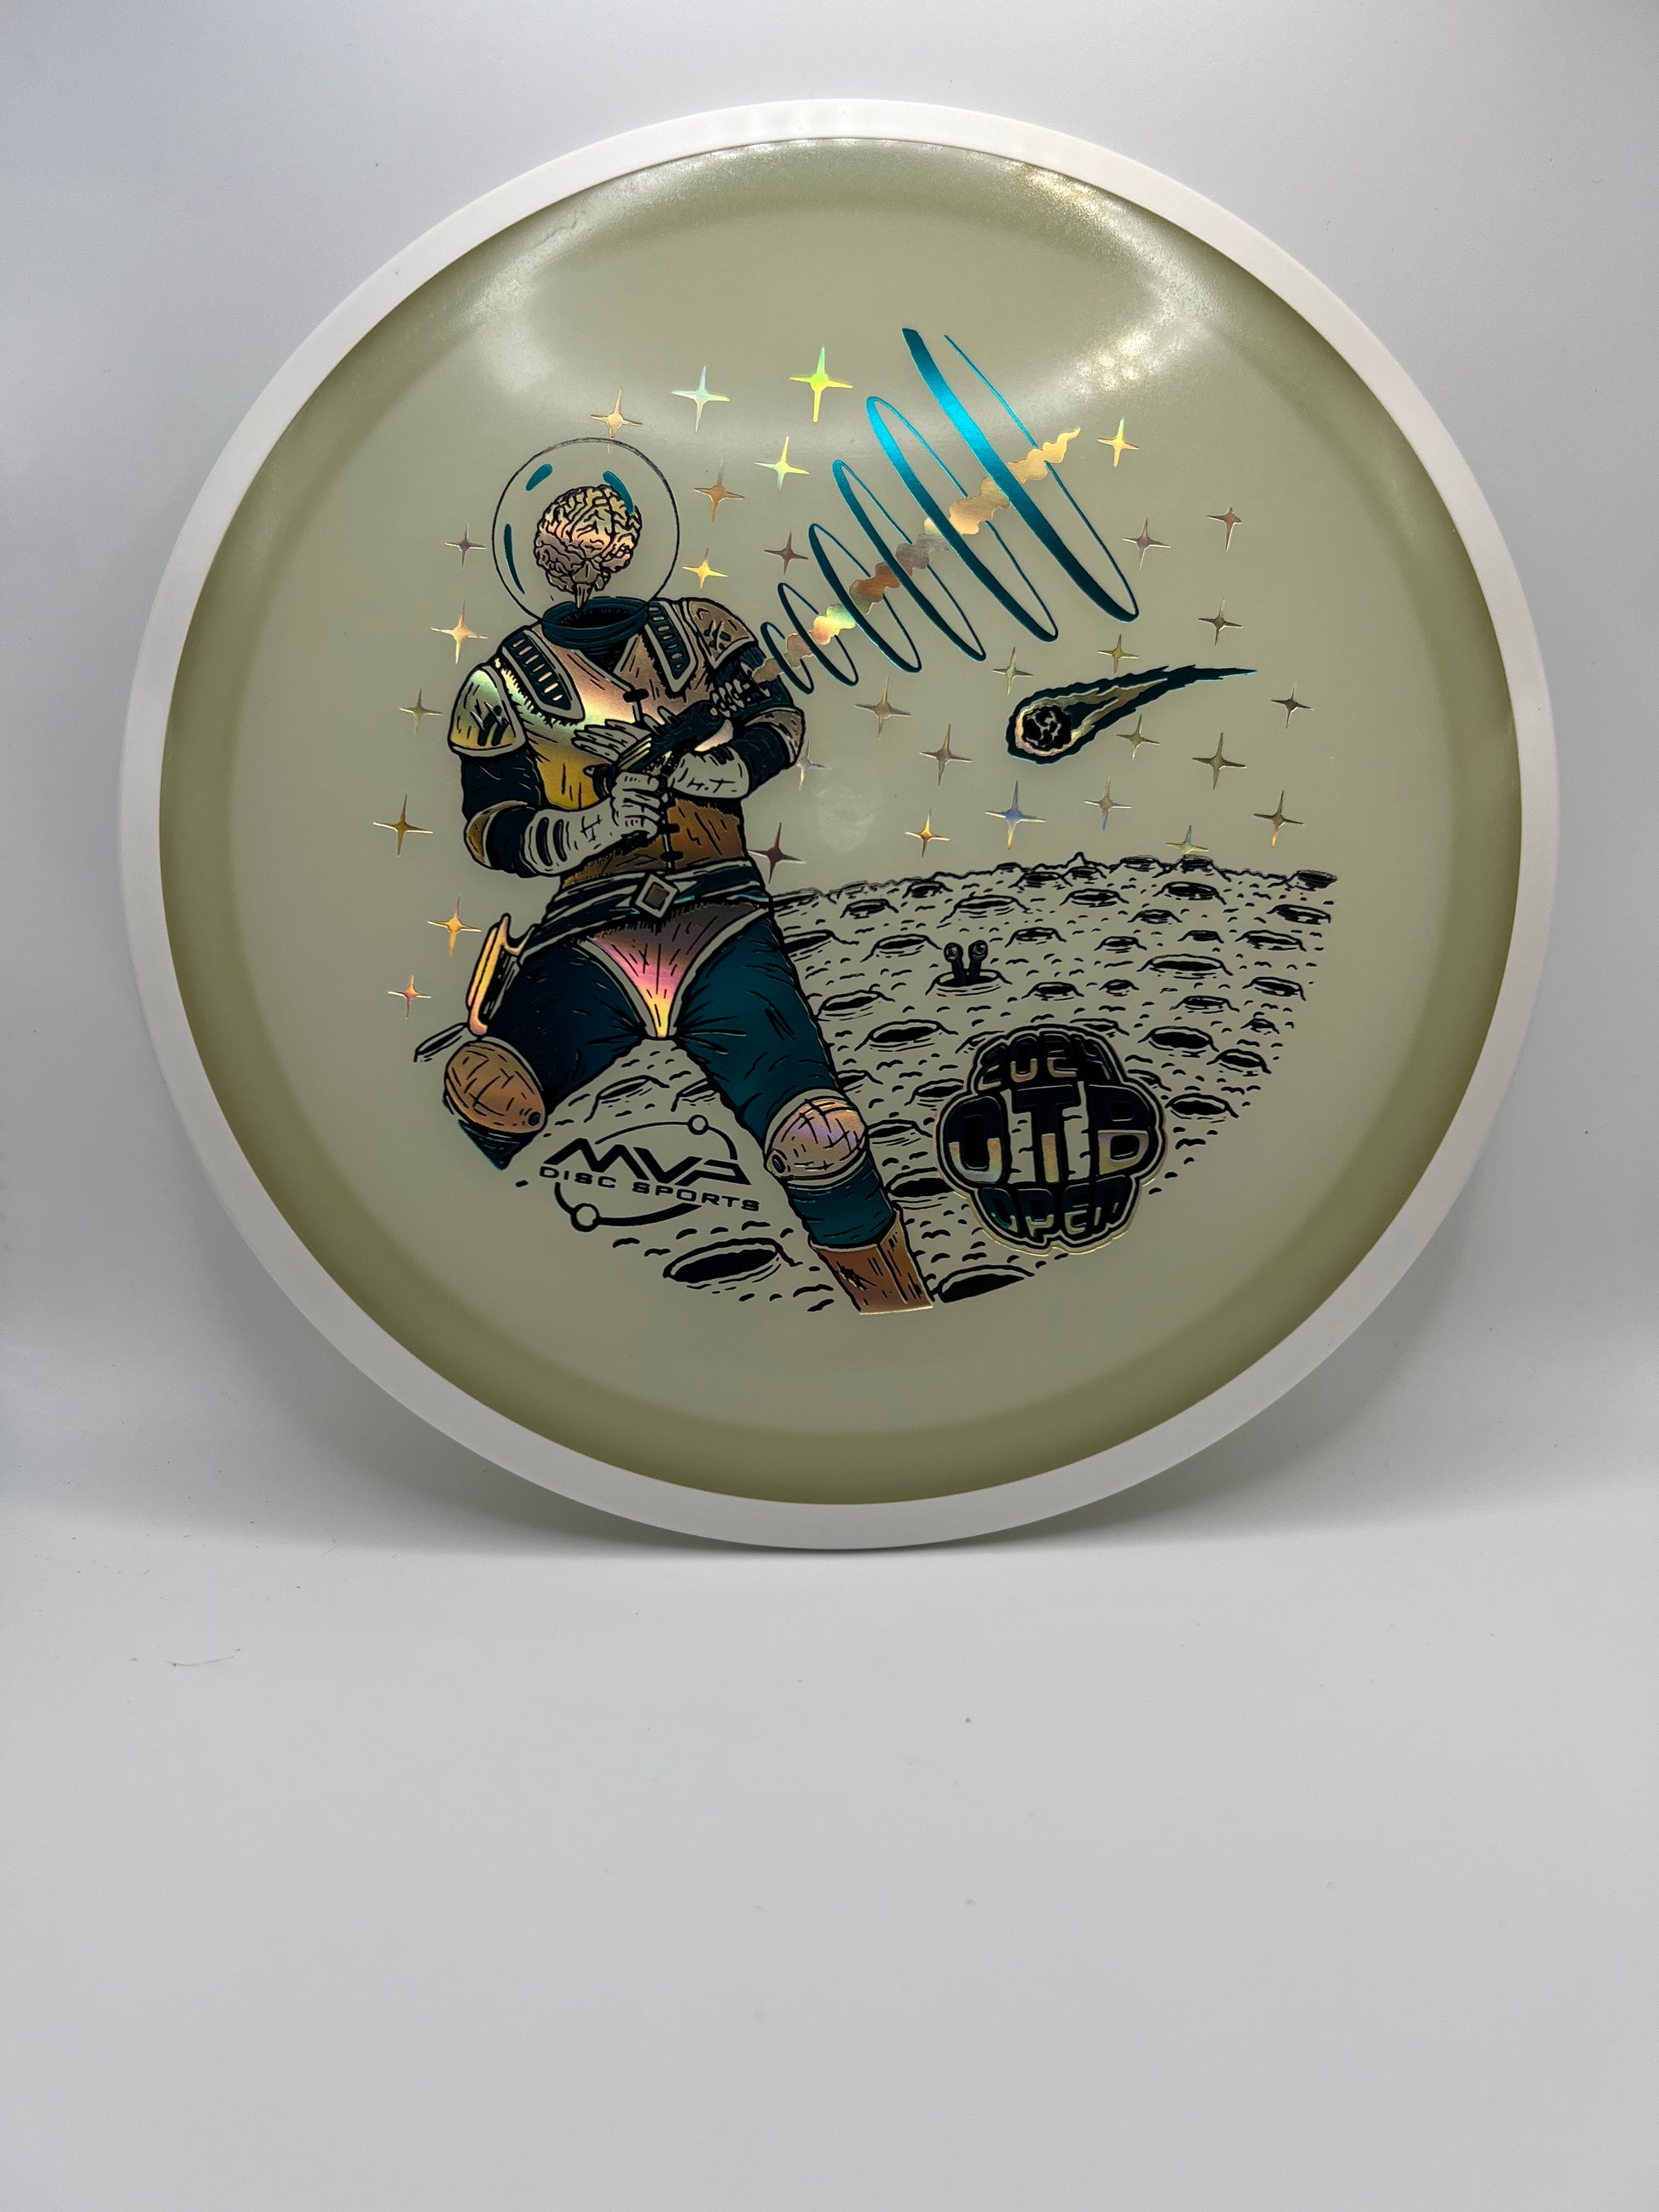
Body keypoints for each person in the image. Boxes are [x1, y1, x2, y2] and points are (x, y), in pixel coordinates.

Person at [441, 476, 931, 1314]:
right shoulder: (500, 684)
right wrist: (589, 829)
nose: (588, 563)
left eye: (600, 541)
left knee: (818, 1136)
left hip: (722, 913)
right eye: (572, 544)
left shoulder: (702, 631)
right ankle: (451, 1284)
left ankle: (897, 1313)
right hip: (588, 930)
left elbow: (777, 720)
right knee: (492, 1089)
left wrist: (726, 769)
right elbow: (491, 828)